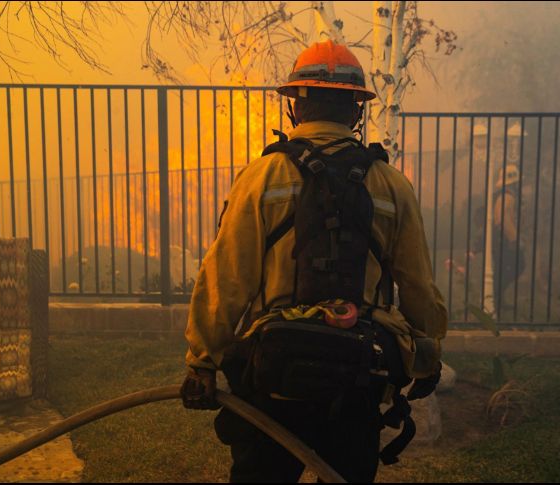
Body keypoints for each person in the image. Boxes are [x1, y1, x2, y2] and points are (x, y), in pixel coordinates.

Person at [179, 40, 448, 483]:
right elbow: (417, 285)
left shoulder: (261, 177)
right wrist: (428, 354)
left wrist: (202, 360)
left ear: (295, 108)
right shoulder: (391, 185)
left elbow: (227, 276)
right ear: (356, 111)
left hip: (273, 378)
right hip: (358, 377)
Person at [492, 163, 525, 315]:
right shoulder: (507, 196)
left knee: (504, 269)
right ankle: (495, 298)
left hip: (502, 239)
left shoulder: (505, 194)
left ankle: (498, 300)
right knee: (518, 265)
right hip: (505, 240)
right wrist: (513, 239)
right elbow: (501, 218)